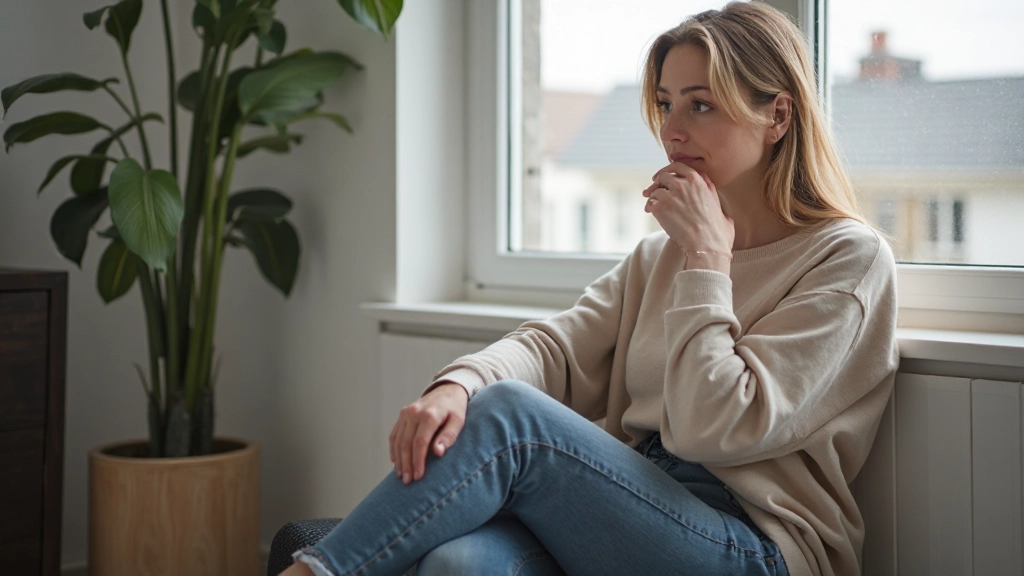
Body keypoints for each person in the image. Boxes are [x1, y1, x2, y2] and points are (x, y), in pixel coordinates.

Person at [282, 2, 898, 575]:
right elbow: (555, 347)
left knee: (511, 418)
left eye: (700, 105)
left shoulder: (847, 259)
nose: (672, 131)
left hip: (754, 545)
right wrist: (457, 384)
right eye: (665, 103)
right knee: (461, 564)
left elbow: (717, 428)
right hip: (635, 499)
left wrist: (709, 260)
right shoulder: (661, 256)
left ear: (778, 116)